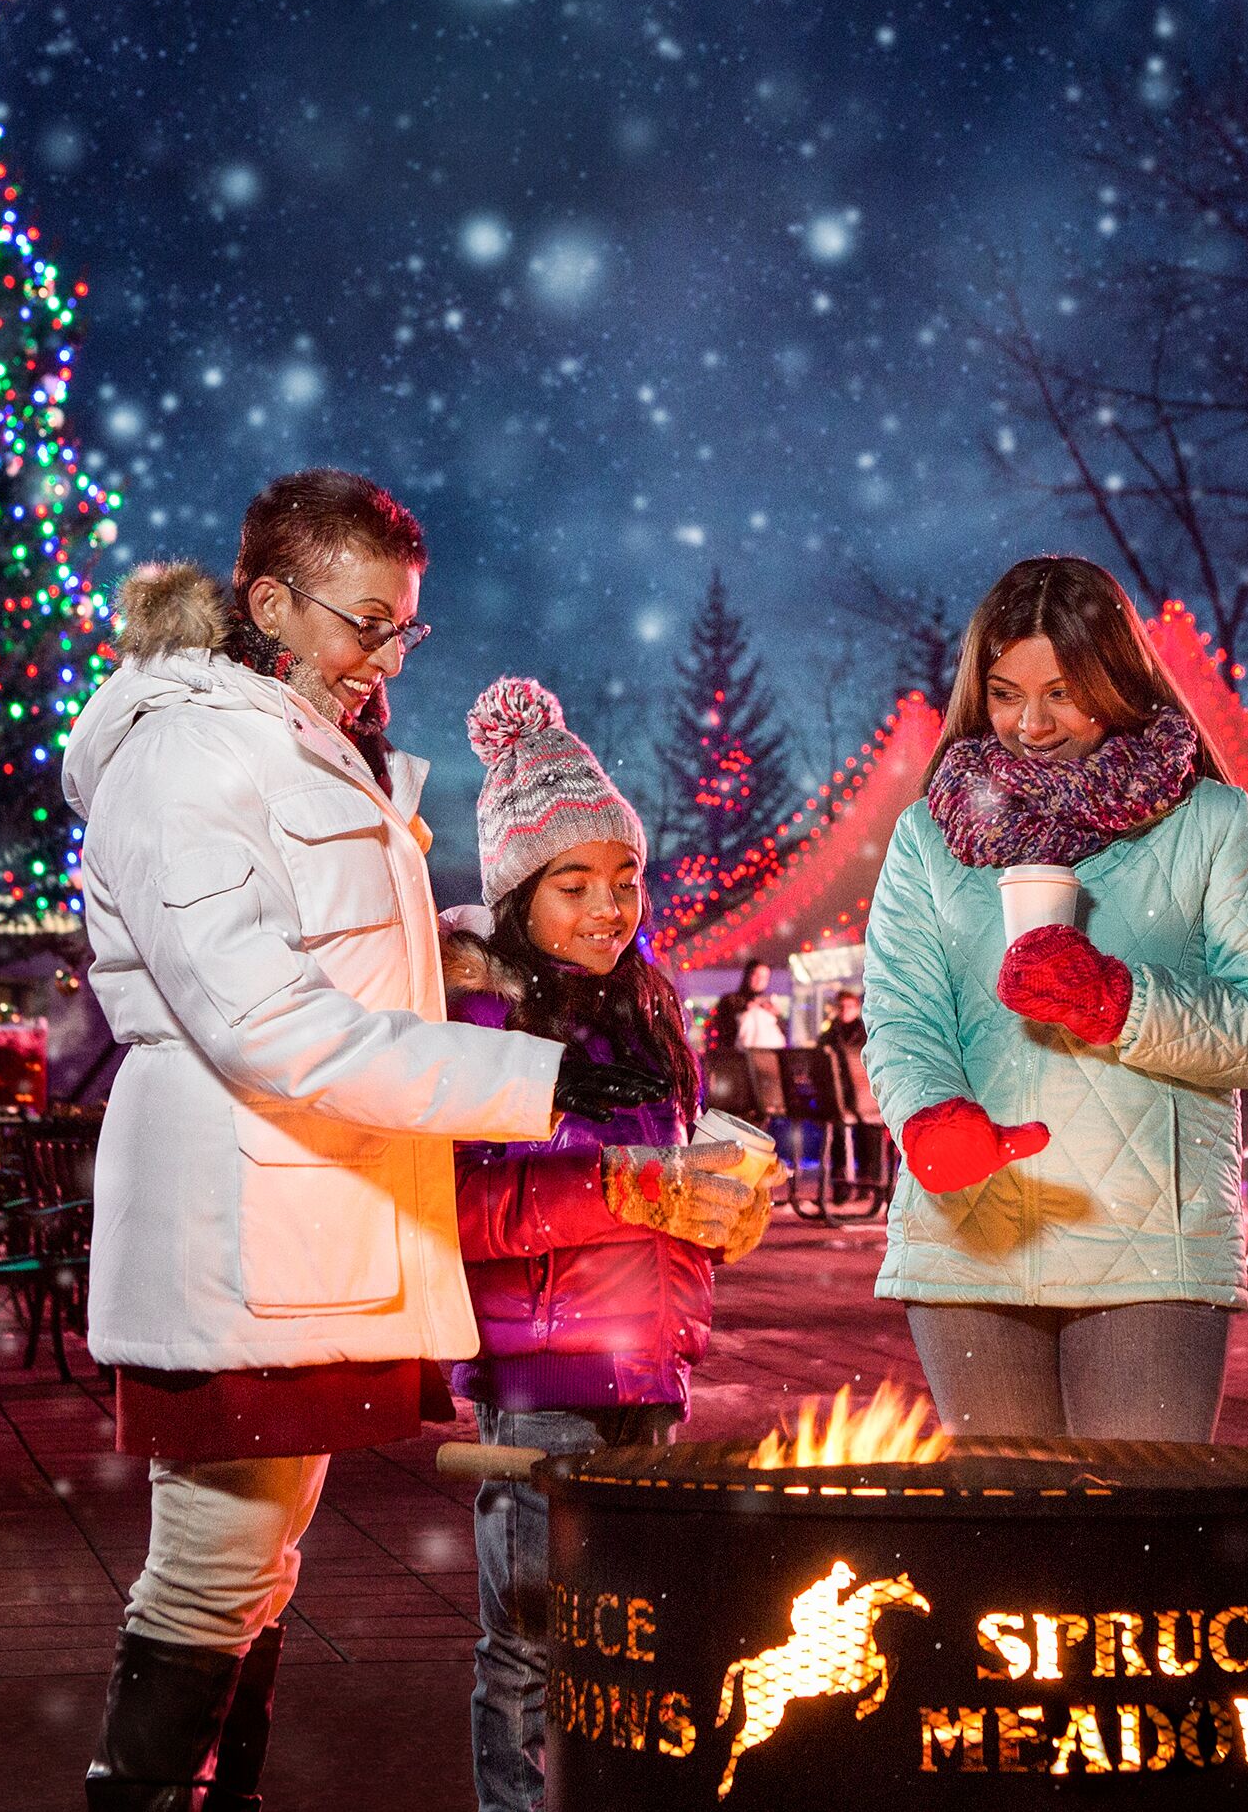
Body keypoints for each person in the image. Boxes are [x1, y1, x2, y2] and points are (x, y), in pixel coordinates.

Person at [60, 470, 663, 1812]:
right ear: (270, 599)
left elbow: (345, 968)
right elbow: (264, 1016)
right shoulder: (186, 750)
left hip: (306, 1219)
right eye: (365, 622)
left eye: (405, 628)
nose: (385, 658)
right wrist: (532, 1076)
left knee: (256, 1557)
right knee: (216, 1554)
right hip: (238, 1213)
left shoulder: (301, 743)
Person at [860, 555, 1248, 1441]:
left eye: (1062, 692)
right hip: (970, 1239)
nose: (1029, 724)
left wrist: (1121, 1002)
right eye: (1003, 692)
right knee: (1002, 1555)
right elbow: (901, 1013)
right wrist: (928, 1115)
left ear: (1117, 680)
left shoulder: (1211, 822)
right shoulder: (927, 837)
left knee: (1129, 1551)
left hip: (1146, 1247)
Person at [441, 675, 774, 1812]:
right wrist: (634, 1186)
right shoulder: (481, 1015)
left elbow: (668, 1201)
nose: (606, 906)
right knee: (531, 1646)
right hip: (541, 1387)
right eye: (572, 882)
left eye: (624, 878)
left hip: (650, 1375)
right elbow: (465, 1208)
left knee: (634, 1638)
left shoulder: (649, 1004)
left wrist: (720, 1212)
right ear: (518, 891)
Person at [709, 960, 787, 1052]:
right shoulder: (731, 1000)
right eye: (756, 975)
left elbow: (783, 1031)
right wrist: (746, 1007)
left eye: (764, 977)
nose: (760, 980)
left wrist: (777, 1015)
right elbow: (723, 1027)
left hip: (769, 1055)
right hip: (740, 1057)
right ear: (748, 975)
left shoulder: (769, 1004)